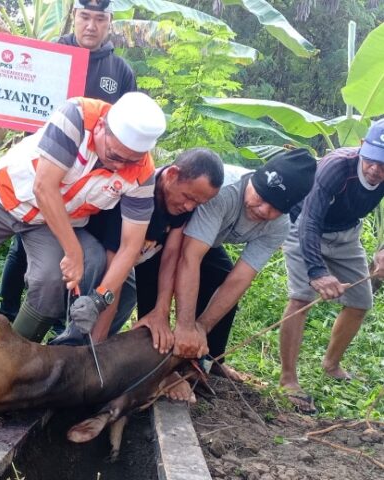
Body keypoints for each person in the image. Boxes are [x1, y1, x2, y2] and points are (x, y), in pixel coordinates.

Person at [0, 92, 166, 342]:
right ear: (101, 126)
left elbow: (131, 246)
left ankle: (12, 355)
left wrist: (101, 298)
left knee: (50, 283)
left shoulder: (142, 173)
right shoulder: (77, 116)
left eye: (131, 160)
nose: (120, 167)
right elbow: (44, 187)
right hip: (5, 197)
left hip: (49, 223)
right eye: (115, 156)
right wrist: (73, 252)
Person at [0, 0, 137, 322]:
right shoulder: (50, 55)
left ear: (109, 22)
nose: (91, 25)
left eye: (99, 19)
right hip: (47, 166)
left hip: (92, 180)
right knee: (25, 242)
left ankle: (62, 317)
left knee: (79, 247)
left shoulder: (121, 71)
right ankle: (6, 309)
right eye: (85, 17)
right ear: (74, 17)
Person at [138, 149, 317, 383]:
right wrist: (184, 325)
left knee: (223, 278)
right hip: (175, 231)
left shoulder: (279, 227)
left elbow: (240, 278)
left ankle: (204, 359)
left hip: (209, 241)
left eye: (275, 208)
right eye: (261, 198)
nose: (264, 210)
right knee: (155, 270)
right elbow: (189, 258)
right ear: (253, 179)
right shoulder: (225, 192)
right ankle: (151, 360)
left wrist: (200, 327)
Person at [52, 148, 224, 346]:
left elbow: (170, 256)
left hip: (127, 256)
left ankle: (93, 342)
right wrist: (97, 347)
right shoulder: (138, 193)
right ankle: (72, 342)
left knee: (129, 292)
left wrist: (162, 310)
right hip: (93, 242)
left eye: (198, 203)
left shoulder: (183, 203)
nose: (189, 207)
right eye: (188, 198)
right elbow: (115, 266)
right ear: (172, 174)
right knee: (99, 271)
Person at [278, 121, 384, 414]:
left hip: (347, 234)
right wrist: (317, 272)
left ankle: (331, 364)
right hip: (306, 229)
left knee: (361, 301)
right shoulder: (337, 166)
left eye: (383, 165)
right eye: (372, 159)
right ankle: (288, 378)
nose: (375, 170)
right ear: (363, 145)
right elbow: (310, 219)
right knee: (301, 298)